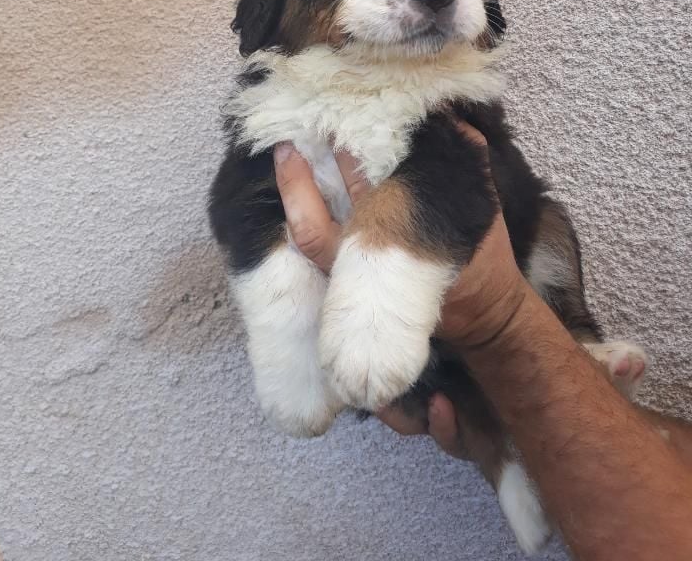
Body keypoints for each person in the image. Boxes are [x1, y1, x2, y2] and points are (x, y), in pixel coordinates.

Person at [272, 124, 692, 561]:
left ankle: (576, 346)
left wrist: (501, 319)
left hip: (486, 275)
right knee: (439, 394)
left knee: (548, 222)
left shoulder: (449, 117)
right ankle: (503, 450)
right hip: (415, 347)